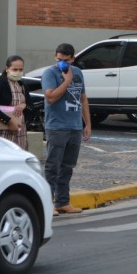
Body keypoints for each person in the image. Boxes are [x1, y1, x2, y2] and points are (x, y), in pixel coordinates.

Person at [42, 43, 91, 215]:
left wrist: (87, 124)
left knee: (67, 166)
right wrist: (67, 80)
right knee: (52, 166)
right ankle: (47, 202)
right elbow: (51, 98)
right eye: (59, 59)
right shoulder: (50, 73)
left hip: (74, 126)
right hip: (57, 126)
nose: (61, 62)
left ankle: (62, 202)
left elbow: (83, 99)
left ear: (72, 59)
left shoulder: (78, 72)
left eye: (65, 60)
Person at [0, 55, 31, 150]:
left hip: (20, 129)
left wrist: (24, 105)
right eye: (15, 69)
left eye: (20, 69)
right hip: (3, 128)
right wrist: (8, 121)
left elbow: (31, 106)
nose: (18, 72)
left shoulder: (22, 85)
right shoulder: (0, 84)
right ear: (7, 69)